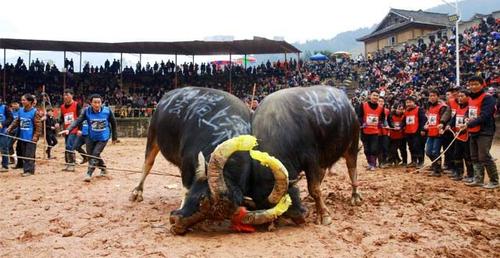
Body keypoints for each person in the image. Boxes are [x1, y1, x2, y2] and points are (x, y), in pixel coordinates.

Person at [60, 94, 118, 182]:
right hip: (91, 136)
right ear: (91, 103)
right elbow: (77, 121)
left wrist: (114, 137)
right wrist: (68, 129)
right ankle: (103, 168)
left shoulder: (107, 111)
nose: (97, 105)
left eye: (99, 102)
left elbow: (114, 123)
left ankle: (89, 173)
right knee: (91, 155)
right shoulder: (86, 111)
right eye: (95, 102)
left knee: (95, 153)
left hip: (103, 137)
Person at [461, 76, 498, 189]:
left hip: (485, 131)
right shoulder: (471, 98)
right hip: (473, 130)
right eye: (471, 84)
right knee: (474, 156)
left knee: (484, 156)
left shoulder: (488, 98)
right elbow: (468, 112)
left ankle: (494, 180)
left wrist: (468, 124)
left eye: (476, 84)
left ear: (482, 85)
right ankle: (478, 179)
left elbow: (485, 116)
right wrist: (466, 118)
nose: (473, 86)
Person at [6, 94, 42, 176]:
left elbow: (38, 126)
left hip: (30, 138)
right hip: (22, 136)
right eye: (22, 100)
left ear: (29, 102)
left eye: (24, 100)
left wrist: (36, 136)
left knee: (29, 154)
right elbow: (17, 121)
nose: (22, 102)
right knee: (23, 153)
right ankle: (24, 168)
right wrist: (10, 127)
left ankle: (29, 171)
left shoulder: (34, 112)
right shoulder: (21, 111)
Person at [447, 90, 473, 182]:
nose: (459, 98)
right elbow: (454, 119)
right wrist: (449, 125)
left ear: (468, 97)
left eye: (462, 96)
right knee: (456, 154)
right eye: (459, 96)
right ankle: (458, 172)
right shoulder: (459, 107)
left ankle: (471, 174)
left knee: (467, 155)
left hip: (466, 135)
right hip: (457, 135)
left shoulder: (470, 108)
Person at [424, 89, 450, 177]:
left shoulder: (443, 107)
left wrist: (442, 124)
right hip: (431, 132)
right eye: (430, 96)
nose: (432, 97)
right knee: (428, 151)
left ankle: (437, 170)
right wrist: (426, 124)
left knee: (435, 152)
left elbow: (445, 117)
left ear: (438, 97)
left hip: (438, 133)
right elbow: (430, 118)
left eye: (434, 95)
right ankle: (435, 164)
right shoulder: (430, 106)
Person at [357, 90, 385, 171]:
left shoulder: (380, 108)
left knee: (373, 148)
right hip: (365, 131)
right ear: (370, 96)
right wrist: (362, 123)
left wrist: (380, 122)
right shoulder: (363, 105)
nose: (375, 97)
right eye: (374, 95)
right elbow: (359, 116)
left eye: (377, 96)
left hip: (375, 132)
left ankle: (373, 164)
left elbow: (382, 117)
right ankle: (369, 163)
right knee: (366, 149)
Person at [58, 89, 82, 172]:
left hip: (74, 129)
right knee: (67, 146)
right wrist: (58, 123)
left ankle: (71, 164)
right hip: (66, 130)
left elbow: (80, 118)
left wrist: (80, 129)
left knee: (69, 146)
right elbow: (62, 117)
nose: (65, 97)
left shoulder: (76, 105)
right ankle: (69, 162)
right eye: (64, 95)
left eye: (67, 95)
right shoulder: (62, 106)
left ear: (72, 95)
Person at [404, 96, 427, 169]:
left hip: (417, 132)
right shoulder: (406, 111)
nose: (408, 104)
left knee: (418, 146)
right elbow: (404, 121)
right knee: (411, 147)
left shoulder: (419, 110)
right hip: (408, 131)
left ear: (414, 102)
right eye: (407, 102)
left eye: (410, 102)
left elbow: (423, 120)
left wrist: (423, 129)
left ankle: (421, 161)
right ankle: (413, 161)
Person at [0, 99, 13, 172]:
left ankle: (5, 166)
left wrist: (3, 124)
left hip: (2, 132)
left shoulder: (5, 107)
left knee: (4, 149)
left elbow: (10, 118)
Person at [377, 97, 390, 168]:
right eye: (379, 101)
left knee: (385, 146)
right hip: (377, 132)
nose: (381, 102)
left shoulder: (387, 111)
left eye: (382, 101)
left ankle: (385, 161)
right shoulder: (374, 110)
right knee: (379, 147)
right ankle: (380, 162)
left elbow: (389, 120)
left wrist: (389, 126)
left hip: (385, 131)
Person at [8, 102, 20, 167]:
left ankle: (20, 159)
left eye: (16, 105)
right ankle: (12, 159)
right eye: (13, 106)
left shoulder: (21, 111)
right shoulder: (11, 113)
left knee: (20, 147)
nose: (14, 107)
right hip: (11, 132)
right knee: (9, 145)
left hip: (19, 132)